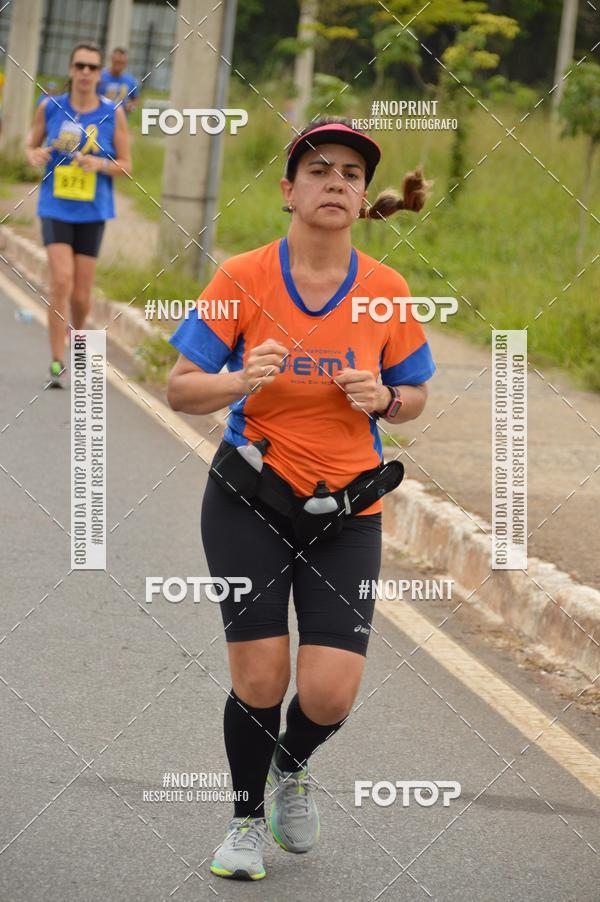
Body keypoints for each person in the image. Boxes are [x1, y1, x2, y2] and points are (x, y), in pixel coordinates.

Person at [166, 115, 436, 881]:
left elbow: (415, 397)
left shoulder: (387, 291)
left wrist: (384, 399)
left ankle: (293, 763)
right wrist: (240, 379)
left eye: (351, 174)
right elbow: (181, 387)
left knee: (327, 693)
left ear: (361, 199)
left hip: (348, 512)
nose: (336, 183)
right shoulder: (242, 278)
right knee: (260, 678)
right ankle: (245, 823)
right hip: (248, 498)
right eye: (320, 170)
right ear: (289, 191)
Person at [25, 42, 132, 387]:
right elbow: (30, 144)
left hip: (92, 209)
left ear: (100, 74)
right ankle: (57, 363)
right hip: (55, 206)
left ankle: (77, 333)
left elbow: (126, 166)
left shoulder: (112, 112)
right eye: (80, 66)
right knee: (60, 281)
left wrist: (100, 163)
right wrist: (34, 155)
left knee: (81, 295)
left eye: (92, 67)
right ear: (71, 70)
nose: (86, 72)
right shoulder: (50, 106)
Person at [97, 48, 139, 116]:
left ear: (126, 63)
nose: (119, 65)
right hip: (100, 118)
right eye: (116, 62)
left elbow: (135, 99)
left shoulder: (131, 81)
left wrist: (131, 107)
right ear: (111, 59)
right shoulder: (99, 76)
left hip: (120, 121)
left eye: (122, 63)